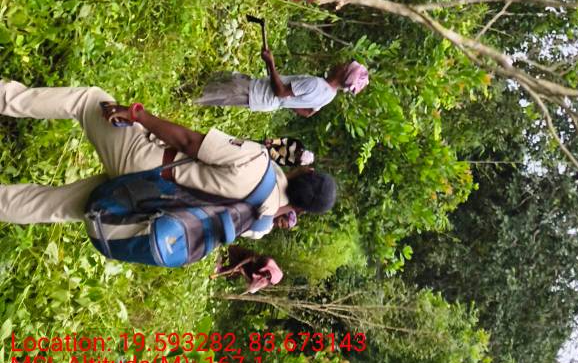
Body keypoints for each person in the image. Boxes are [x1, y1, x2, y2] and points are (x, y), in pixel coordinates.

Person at [0, 80, 336, 226]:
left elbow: (190, 143)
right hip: (142, 202)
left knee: (86, 100)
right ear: (300, 210)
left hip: (144, 163)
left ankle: (6, 98)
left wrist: (139, 116)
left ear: (306, 171)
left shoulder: (258, 163)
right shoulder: (260, 220)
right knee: (54, 207)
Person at [196, 53, 369, 117]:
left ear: (343, 73)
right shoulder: (329, 95)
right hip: (262, 99)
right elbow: (307, 113)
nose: (340, 63)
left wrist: (271, 63)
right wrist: (289, 102)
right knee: (216, 81)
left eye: (345, 65)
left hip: (255, 92)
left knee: (208, 93)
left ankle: (185, 94)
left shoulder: (315, 84)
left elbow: (280, 92)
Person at [212, 247, 284, 292]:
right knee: (230, 252)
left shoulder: (264, 282)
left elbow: (251, 283)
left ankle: (219, 270)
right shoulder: (266, 262)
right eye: (268, 273)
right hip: (245, 258)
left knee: (232, 272)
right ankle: (220, 256)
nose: (266, 275)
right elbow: (250, 258)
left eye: (268, 277)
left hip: (247, 270)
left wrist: (243, 273)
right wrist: (238, 266)